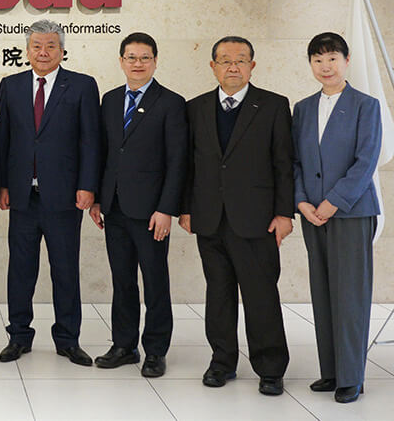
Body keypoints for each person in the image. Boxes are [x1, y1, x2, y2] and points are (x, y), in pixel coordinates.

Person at [179, 35, 293, 396]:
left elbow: (284, 165)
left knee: (261, 295)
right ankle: (222, 361)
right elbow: (188, 166)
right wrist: (185, 208)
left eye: (240, 60)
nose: (232, 66)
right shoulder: (195, 108)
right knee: (218, 294)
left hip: (257, 220)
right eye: (225, 60)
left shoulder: (273, 106)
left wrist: (284, 213)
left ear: (252, 66)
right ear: (212, 66)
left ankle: (271, 368)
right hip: (209, 218)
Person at [0, 20, 101, 365]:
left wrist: (88, 186)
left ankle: (68, 339)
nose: (43, 52)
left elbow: (91, 141)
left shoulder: (83, 86)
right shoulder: (10, 86)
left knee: (65, 269)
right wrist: (3, 186)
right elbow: (3, 141)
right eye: (37, 46)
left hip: (65, 197)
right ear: (27, 51)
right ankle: (19, 336)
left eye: (50, 46)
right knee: (21, 270)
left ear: (61, 50)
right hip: (23, 197)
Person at [89, 32, 187, 378]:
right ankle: (124, 345)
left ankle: (156, 350)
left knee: (155, 281)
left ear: (156, 61)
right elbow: (105, 153)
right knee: (122, 280)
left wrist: (166, 209)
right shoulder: (111, 100)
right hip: (114, 208)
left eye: (145, 57)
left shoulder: (171, 103)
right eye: (131, 57)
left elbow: (178, 161)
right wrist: (99, 198)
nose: (137, 63)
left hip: (151, 212)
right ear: (121, 61)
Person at [293, 32, 382, 404]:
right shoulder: (302, 108)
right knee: (323, 294)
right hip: (312, 214)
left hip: (349, 212)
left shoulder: (367, 105)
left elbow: (367, 161)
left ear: (346, 61)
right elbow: (294, 161)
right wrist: (301, 202)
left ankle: (351, 377)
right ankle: (330, 371)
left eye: (332, 58)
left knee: (350, 296)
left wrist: (334, 202)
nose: (325, 66)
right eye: (317, 59)